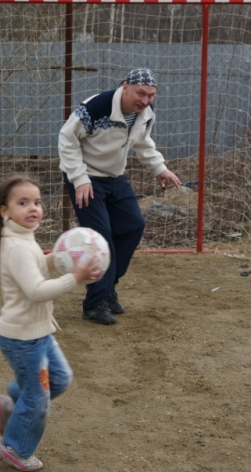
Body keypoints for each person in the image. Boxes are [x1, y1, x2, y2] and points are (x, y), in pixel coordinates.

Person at [0, 174, 102, 471]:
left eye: (37, 202)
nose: (33, 208)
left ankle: (9, 402)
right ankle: (14, 447)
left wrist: (57, 259)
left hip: (37, 334)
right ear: (5, 210)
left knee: (60, 379)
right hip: (23, 339)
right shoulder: (18, 247)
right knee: (38, 400)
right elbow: (36, 291)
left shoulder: (23, 238)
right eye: (23, 203)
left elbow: (36, 263)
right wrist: (73, 278)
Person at [58, 68, 181, 325]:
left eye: (150, 95)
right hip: (86, 178)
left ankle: (108, 285)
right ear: (125, 87)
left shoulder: (145, 115)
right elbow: (67, 139)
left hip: (115, 177)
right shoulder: (95, 107)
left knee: (133, 225)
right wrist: (79, 179)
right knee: (100, 238)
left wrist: (160, 168)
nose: (145, 100)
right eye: (140, 93)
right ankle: (94, 304)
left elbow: (143, 143)